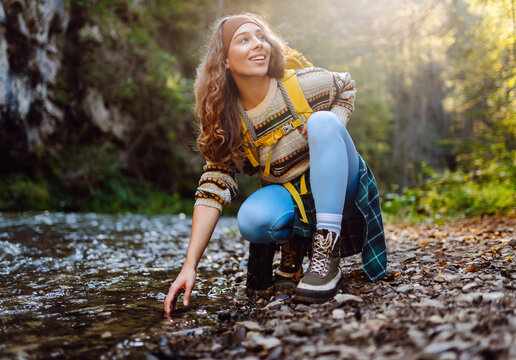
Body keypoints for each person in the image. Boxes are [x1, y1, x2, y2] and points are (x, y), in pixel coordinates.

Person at [164, 13, 386, 314]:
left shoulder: (301, 85)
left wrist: (335, 121)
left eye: (260, 36)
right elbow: (213, 188)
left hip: (341, 182)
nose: (258, 44)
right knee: (252, 219)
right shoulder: (227, 118)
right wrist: (189, 266)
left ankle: (326, 252)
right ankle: (293, 243)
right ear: (225, 61)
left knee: (322, 122)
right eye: (244, 40)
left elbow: (346, 86)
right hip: (291, 192)